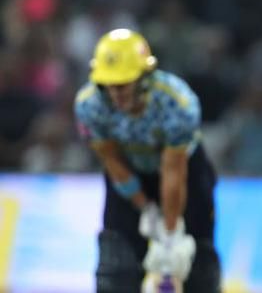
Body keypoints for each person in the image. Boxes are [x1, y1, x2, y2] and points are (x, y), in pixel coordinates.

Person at [73, 28, 220, 293]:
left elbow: (173, 171)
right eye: (109, 85)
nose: (115, 93)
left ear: (143, 77)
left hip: (185, 173)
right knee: (117, 264)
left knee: (196, 264)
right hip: (128, 172)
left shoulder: (177, 103)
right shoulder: (90, 106)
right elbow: (111, 160)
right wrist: (145, 208)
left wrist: (170, 232)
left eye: (123, 84)